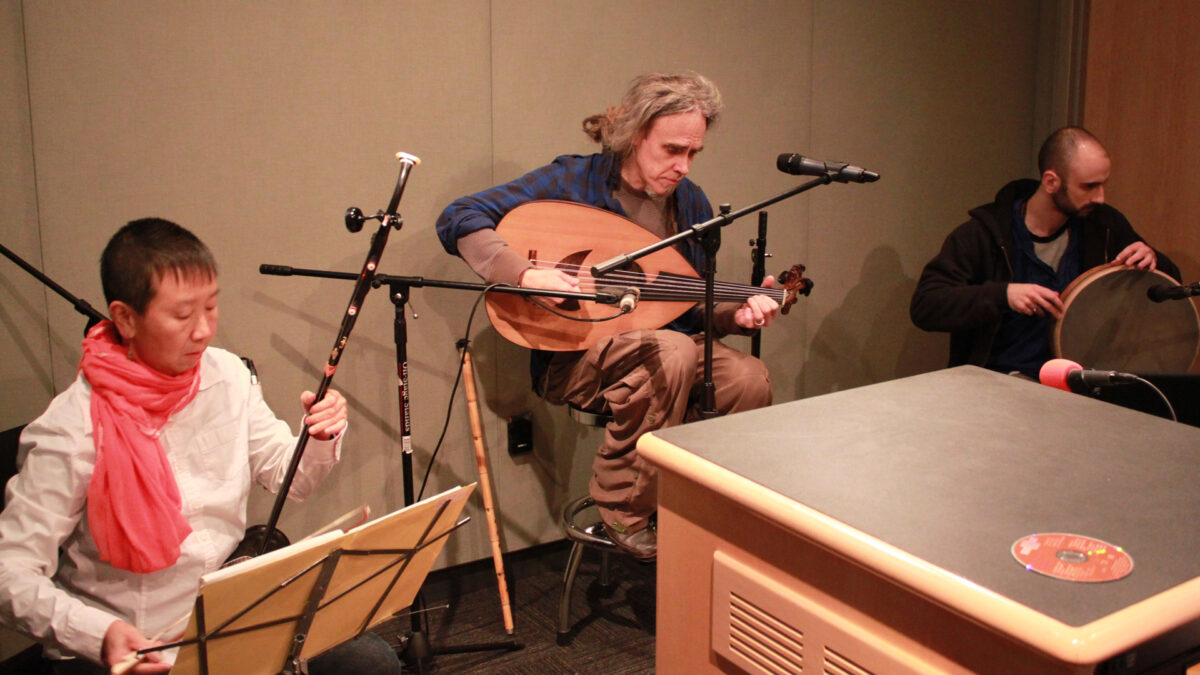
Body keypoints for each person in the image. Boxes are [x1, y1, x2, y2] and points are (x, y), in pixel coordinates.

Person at [0, 219, 401, 674]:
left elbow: (288, 477)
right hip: (139, 641)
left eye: (211, 308)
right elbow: (9, 573)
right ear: (126, 318)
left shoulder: (226, 374)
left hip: (231, 611)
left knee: (371, 663)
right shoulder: (70, 429)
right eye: (183, 315)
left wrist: (320, 436)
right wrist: (99, 633)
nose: (203, 331)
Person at [436, 72, 778, 560]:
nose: (683, 166)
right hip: (574, 359)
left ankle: (704, 507)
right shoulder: (574, 182)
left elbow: (686, 303)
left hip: (666, 351)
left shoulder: (691, 205)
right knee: (674, 353)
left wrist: (735, 314)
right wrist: (523, 274)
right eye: (672, 150)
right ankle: (624, 508)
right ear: (638, 134)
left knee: (747, 378)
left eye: (693, 153)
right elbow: (460, 215)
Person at [910, 126, 1180, 377]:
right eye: (1088, 187)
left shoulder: (1104, 225)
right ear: (1051, 182)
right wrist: (1003, 294)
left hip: (1081, 388)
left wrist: (1153, 260)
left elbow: (1170, 290)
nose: (1100, 197)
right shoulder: (984, 234)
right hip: (999, 384)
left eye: (1103, 184)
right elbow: (926, 305)